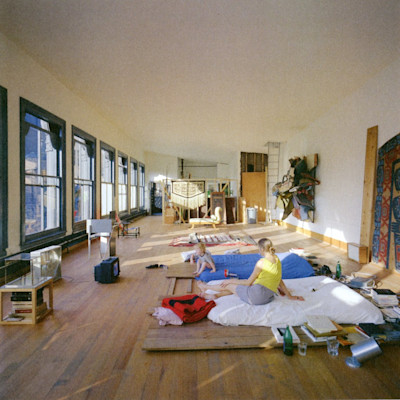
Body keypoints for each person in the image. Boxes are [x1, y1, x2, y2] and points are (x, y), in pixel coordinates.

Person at [197, 238, 304, 304]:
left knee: (229, 284)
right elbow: (279, 279)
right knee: (236, 288)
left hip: (256, 297)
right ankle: (215, 296)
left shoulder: (261, 262)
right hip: (267, 297)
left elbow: (248, 282)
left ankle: (206, 287)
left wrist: (230, 280)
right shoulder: (277, 259)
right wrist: (289, 296)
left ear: (262, 249)